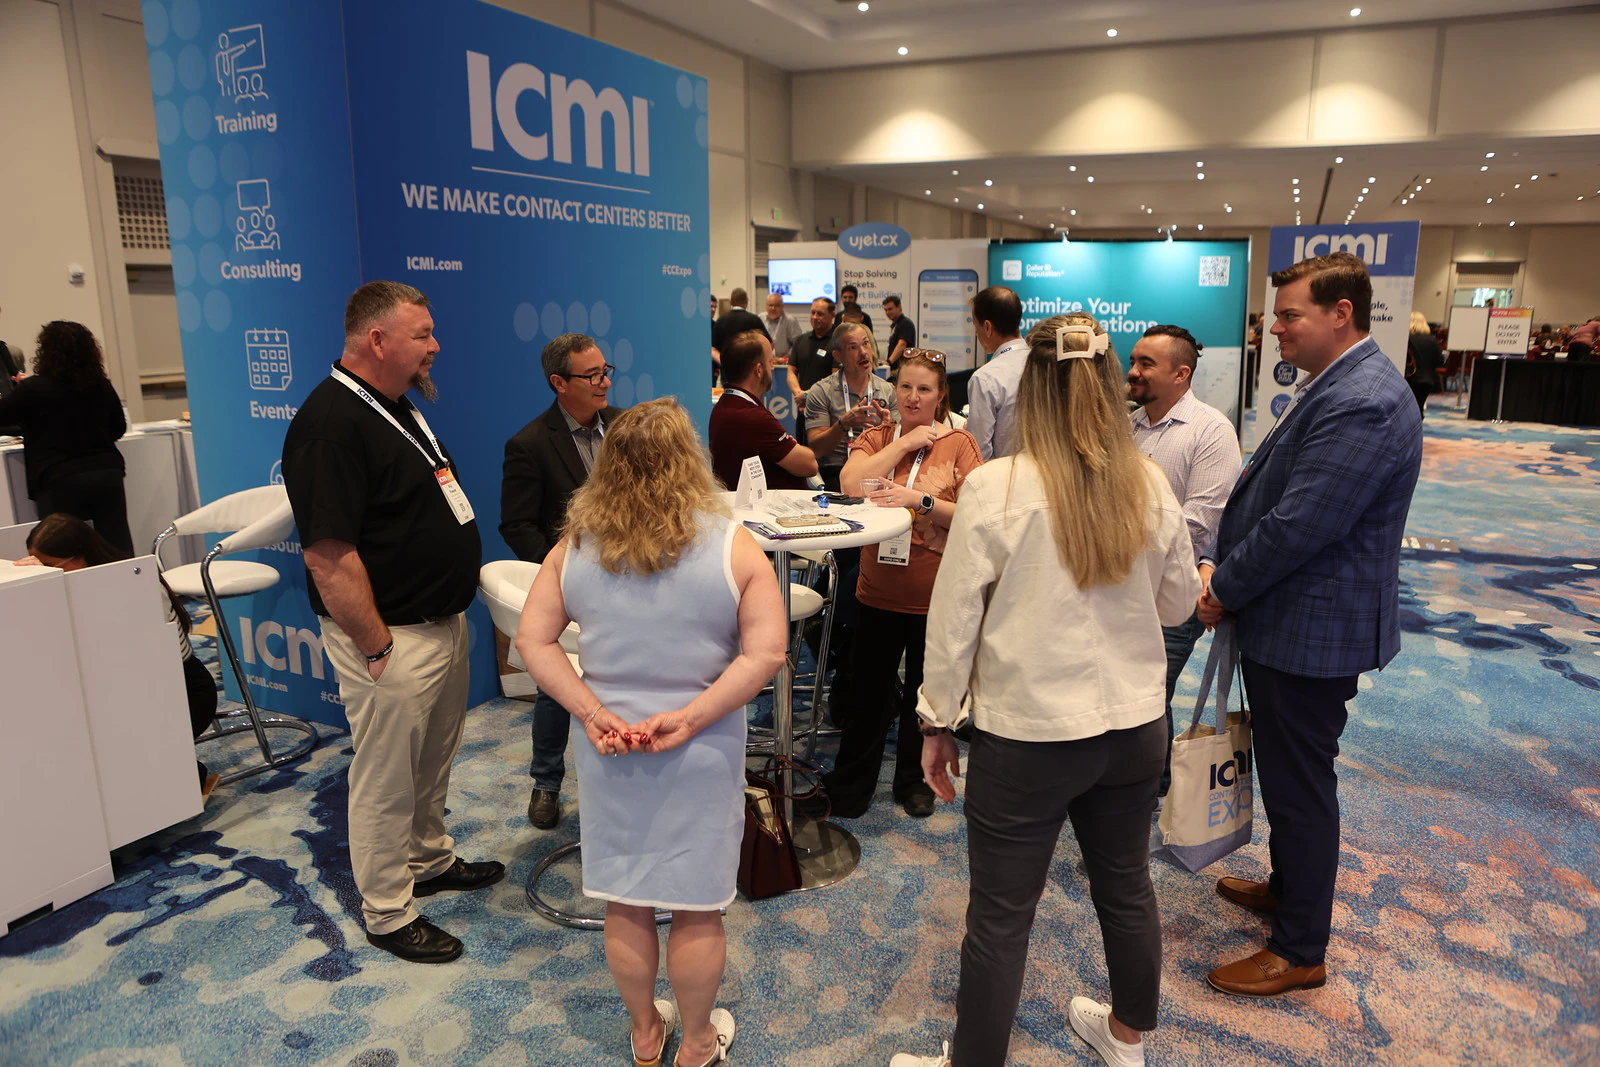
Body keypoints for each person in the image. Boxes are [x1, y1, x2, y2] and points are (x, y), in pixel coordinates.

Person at [893, 315, 1201, 1067]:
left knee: (1001, 915)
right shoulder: (1149, 484)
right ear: (1107, 385)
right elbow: (1176, 606)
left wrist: (936, 722)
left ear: (1031, 388)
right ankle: (1127, 1039)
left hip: (1028, 736)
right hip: (1134, 727)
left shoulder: (997, 487)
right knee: (1126, 884)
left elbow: (954, 622)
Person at [516, 398, 787, 1067]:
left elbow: (532, 640)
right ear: (690, 458)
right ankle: (696, 1043)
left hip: (611, 749)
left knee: (627, 900)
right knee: (698, 907)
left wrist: (591, 711)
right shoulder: (732, 543)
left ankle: (645, 1034)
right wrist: (689, 717)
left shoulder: (574, 546)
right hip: (701, 747)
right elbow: (767, 653)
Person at [1197, 251, 1423, 998]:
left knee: (1300, 786)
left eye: (1291, 315)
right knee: (1290, 773)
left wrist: (1224, 587)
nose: (1277, 329)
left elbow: (1300, 525)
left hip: (1311, 629)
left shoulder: (1365, 400)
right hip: (1294, 617)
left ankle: (1299, 949)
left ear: (1341, 313)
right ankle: (1290, 888)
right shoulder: (1340, 382)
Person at [281, 281, 502, 965]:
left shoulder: (395, 404)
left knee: (431, 759)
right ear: (377, 340)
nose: (436, 346)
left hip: (438, 622)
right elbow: (328, 556)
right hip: (390, 638)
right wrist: (376, 646)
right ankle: (386, 911)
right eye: (423, 334)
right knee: (386, 778)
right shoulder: (329, 424)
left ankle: (428, 859)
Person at [821, 350, 980, 819]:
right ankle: (851, 787)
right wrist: (907, 441)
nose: (912, 397)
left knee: (924, 695)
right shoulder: (877, 437)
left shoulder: (960, 443)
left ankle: (915, 782)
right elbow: (851, 484)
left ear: (940, 394)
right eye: (905, 387)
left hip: (936, 594)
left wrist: (920, 500)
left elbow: (976, 515)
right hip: (877, 590)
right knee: (867, 695)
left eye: (923, 389)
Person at [499, 333, 624, 830]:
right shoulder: (529, 444)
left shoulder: (625, 428)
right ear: (559, 382)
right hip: (573, 585)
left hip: (636, 576)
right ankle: (546, 782)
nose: (604, 382)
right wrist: (562, 572)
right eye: (591, 375)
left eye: (605, 370)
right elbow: (517, 525)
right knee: (559, 684)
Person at [15, 512, 219, 795]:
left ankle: (186, 775)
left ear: (80, 558)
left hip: (182, 692)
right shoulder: (82, 586)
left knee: (113, 747)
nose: (44, 573)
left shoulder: (134, 586)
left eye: (49, 566)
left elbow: (156, 665)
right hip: (133, 693)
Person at [1126, 323, 1241, 797]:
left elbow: (1200, 523)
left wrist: (1119, 542)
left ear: (1181, 374)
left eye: (1146, 364)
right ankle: (1153, 782)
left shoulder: (1211, 431)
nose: (1133, 371)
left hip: (1177, 587)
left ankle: (1148, 789)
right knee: (1135, 687)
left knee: (1151, 689)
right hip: (1124, 583)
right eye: (1133, 361)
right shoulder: (1128, 427)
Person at [0, 321, 131, 553]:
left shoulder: (33, 389)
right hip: (106, 473)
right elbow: (118, 428)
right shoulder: (101, 385)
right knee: (115, 543)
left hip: (59, 478)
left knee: (63, 548)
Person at [708, 329, 818, 491]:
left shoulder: (724, 406)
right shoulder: (751, 417)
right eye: (770, 362)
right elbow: (809, 465)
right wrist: (792, 444)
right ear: (759, 370)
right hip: (777, 504)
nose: (772, 368)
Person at [803, 322, 898, 491]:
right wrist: (843, 424)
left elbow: (900, 446)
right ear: (838, 356)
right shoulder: (822, 391)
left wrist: (887, 430)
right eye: (853, 347)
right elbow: (817, 450)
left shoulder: (888, 390)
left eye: (866, 343)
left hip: (876, 471)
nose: (863, 352)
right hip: (836, 472)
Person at [963, 287, 1028, 461]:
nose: (976, 333)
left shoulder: (985, 378)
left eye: (975, 326)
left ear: (987, 327)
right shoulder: (1044, 365)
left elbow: (979, 454)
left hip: (1003, 476)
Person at [712, 288, 769, 389]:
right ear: (747, 301)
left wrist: (725, 362)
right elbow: (769, 345)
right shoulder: (754, 320)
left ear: (730, 301)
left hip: (727, 374)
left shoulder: (721, 321)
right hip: (751, 374)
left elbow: (712, 349)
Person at [1404, 311, 1444, 415]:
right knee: (1419, 408)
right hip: (1427, 380)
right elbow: (1440, 361)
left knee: (1407, 410)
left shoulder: (1407, 339)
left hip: (1410, 378)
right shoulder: (1432, 340)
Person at [762, 292, 802, 362]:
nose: (773, 308)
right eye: (770, 305)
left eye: (777, 305)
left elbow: (798, 343)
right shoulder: (761, 318)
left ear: (782, 306)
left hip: (783, 362)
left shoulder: (790, 320)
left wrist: (786, 356)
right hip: (764, 361)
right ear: (766, 306)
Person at [883, 294, 917, 370]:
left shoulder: (905, 323)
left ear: (899, 307)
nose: (887, 312)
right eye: (885, 310)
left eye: (890, 309)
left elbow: (902, 344)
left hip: (903, 368)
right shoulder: (895, 325)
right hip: (896, 368)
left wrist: (889, 362)